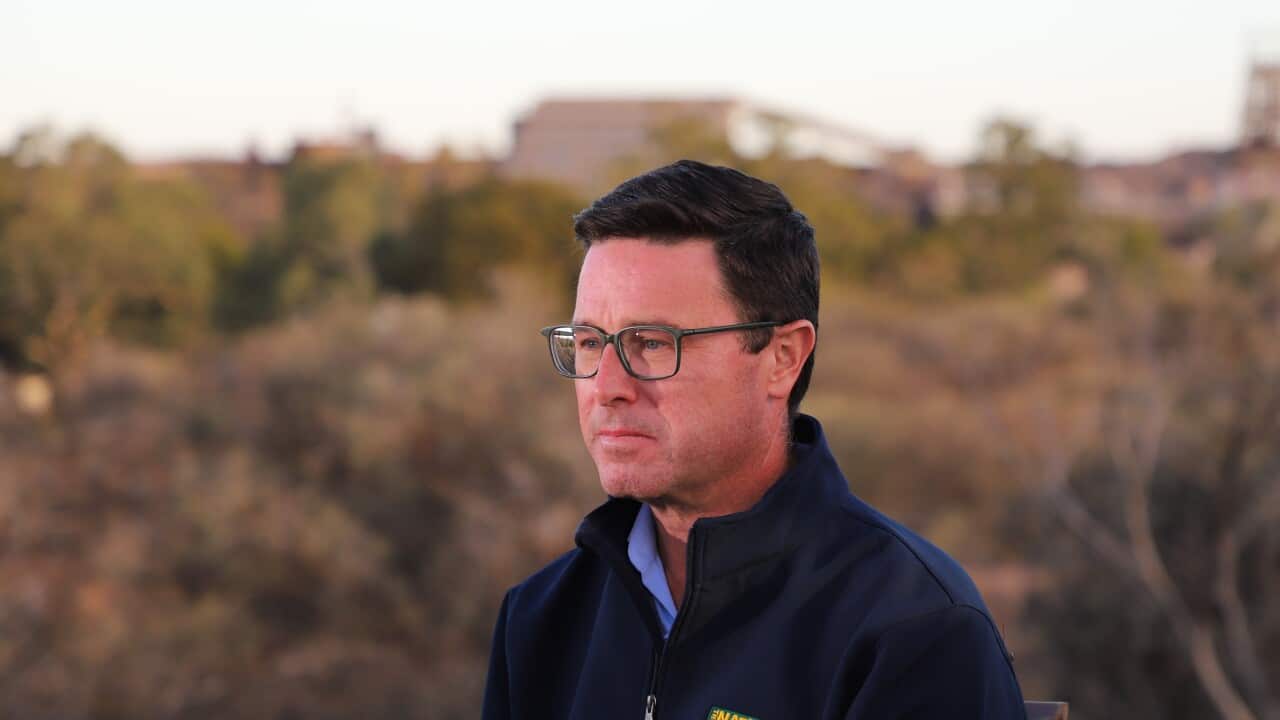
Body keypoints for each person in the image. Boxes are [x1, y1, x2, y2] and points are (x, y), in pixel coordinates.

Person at [482, 160, 1026, 719]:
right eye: (590, 342)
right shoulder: (541, 620)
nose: (607, 387)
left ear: (783, 358)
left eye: (653, 342)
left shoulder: (914, 629)